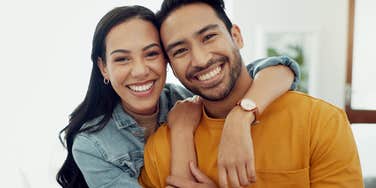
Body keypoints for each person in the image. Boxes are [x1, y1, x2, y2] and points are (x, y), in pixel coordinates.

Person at [56, 5, 300, 188]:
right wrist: (181, 132)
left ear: (167, 60)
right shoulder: (92, 145)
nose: (140, 70)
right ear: (103, 68)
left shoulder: (192, 96)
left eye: (151, 54)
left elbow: (277, 68)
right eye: (122, 59)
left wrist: (241, 116)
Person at [139, 0, 364, 187]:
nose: (200, 59)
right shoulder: (162, 148)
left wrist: (241, 115)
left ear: (236, 36)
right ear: (171, 67)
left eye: (208, 37)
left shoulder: (320, 122)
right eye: (180, 51)